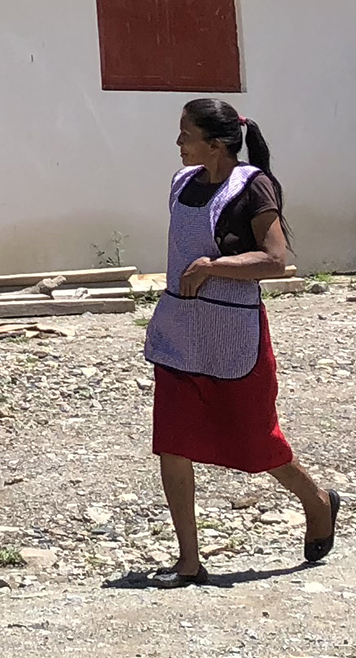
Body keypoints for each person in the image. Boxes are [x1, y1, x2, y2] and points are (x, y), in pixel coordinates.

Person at [140, 95, 339, 586]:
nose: (179, 142)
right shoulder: (181, 184)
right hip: (179, 333)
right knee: (172, 440)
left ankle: (316, 500)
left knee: (255, 441)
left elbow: (277, 261)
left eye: (187, 133)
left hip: (232, 336)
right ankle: (189, 561)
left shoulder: (252, 187)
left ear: (216, 143)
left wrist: (215, 267)